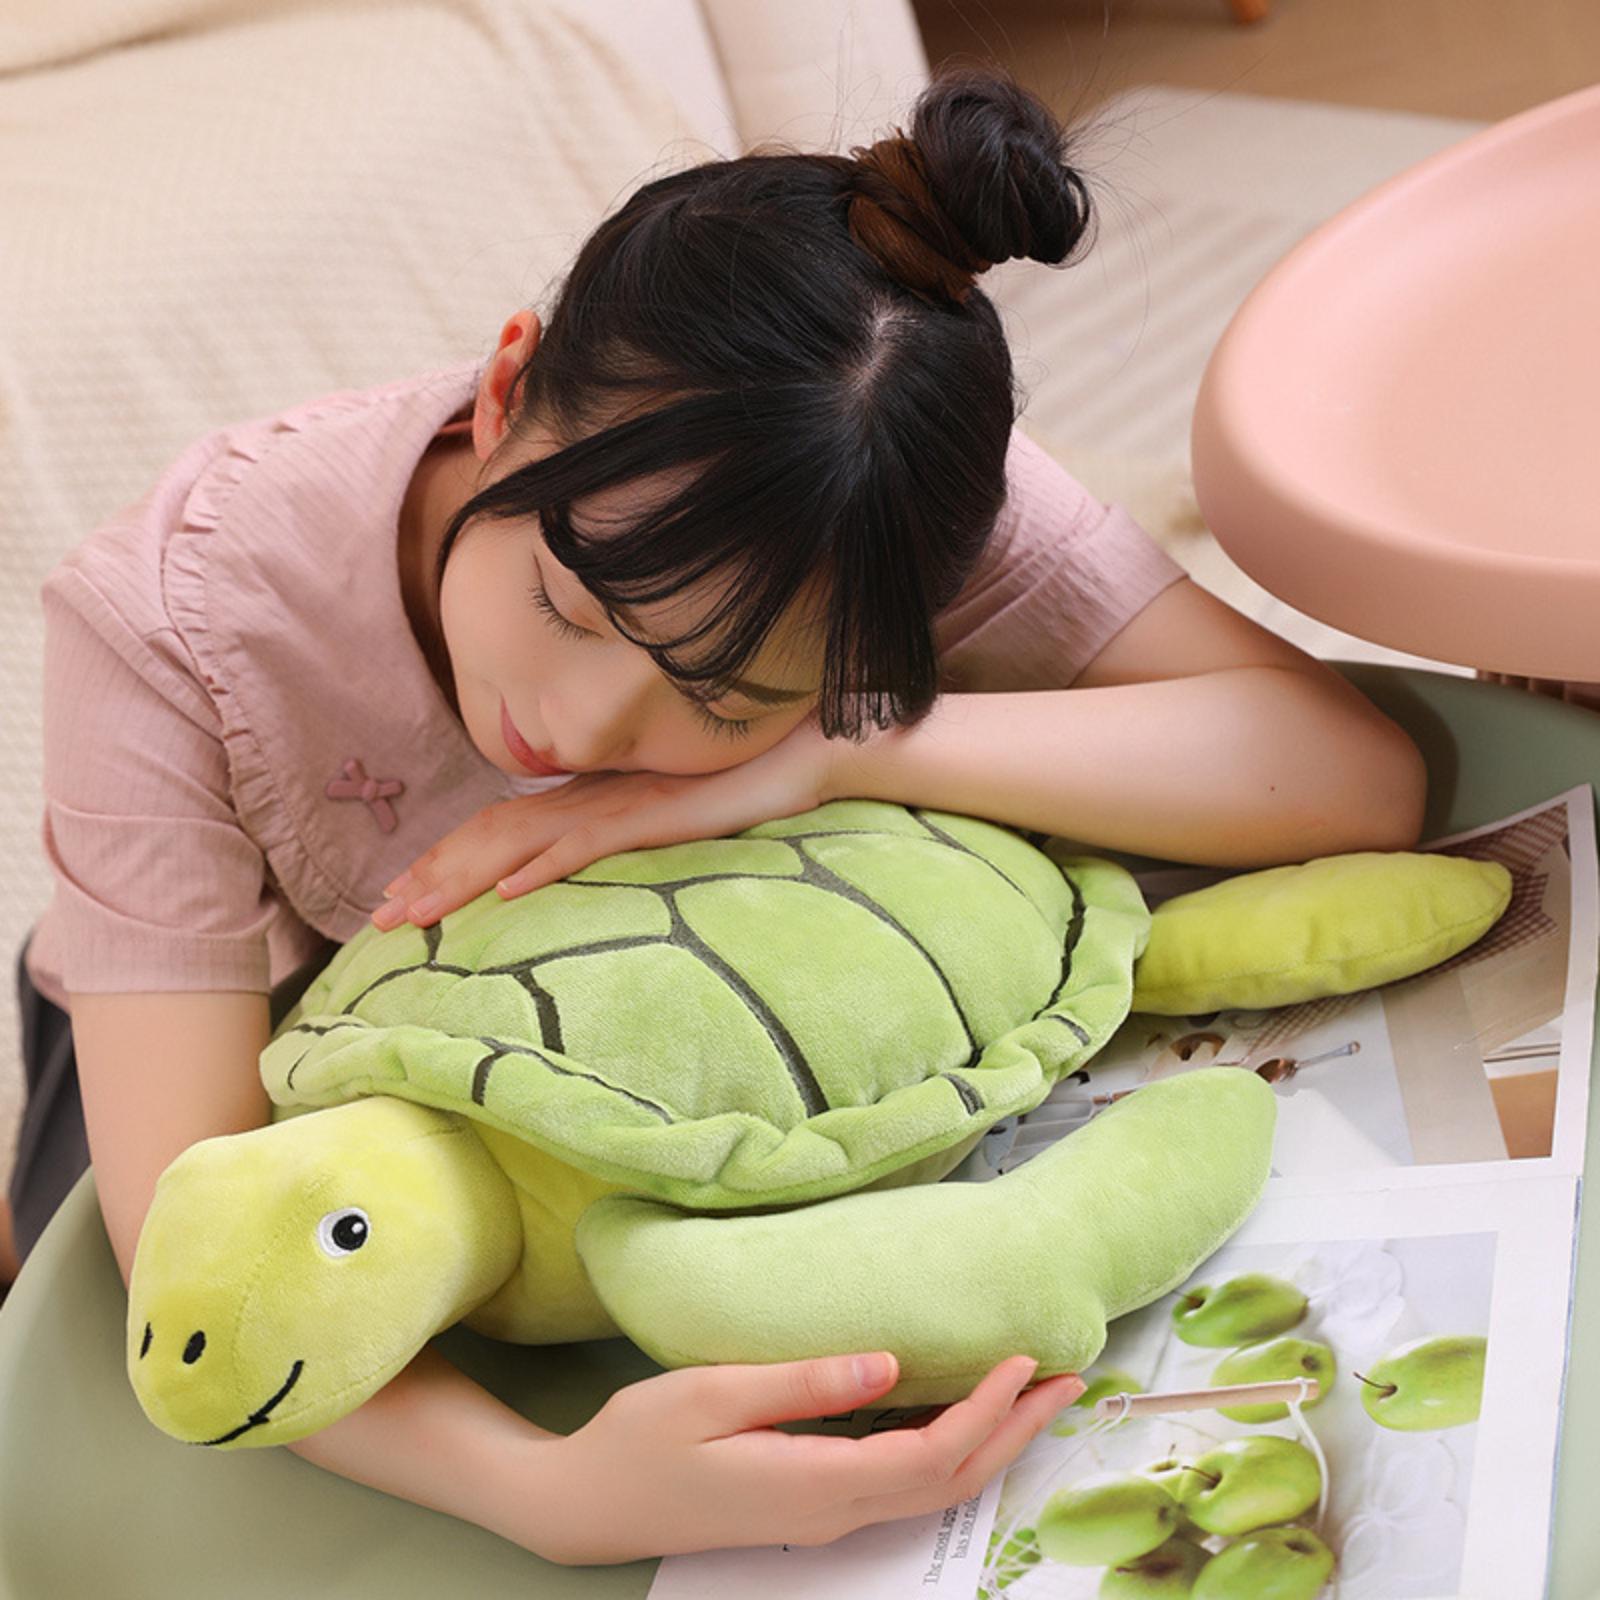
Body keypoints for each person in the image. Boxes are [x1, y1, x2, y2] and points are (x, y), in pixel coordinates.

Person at [0, 64, 1425, 1564]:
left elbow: (1347, 771)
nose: (579, 731)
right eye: (565, 603)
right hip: (253, 1057)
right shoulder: (171, 615)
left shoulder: (874, 501)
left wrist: (832, 759)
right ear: (503, 391)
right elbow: (196, 1252)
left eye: (728, 693)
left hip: (668, 1088)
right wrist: (546, 1493)